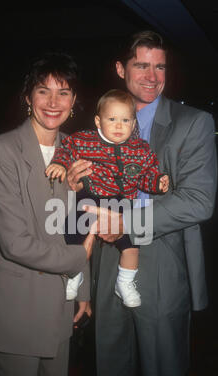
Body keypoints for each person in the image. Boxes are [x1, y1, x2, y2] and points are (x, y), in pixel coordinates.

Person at [67, 31, 218, 376]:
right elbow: (79, 203)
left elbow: (199, 202)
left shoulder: (194, 123)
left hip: (163, 271)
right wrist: (71, 184)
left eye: (160, 66)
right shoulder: (97, 126)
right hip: (107, 263)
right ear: (121, 69)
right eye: (141, 65)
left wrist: (126, 220)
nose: (152, 76)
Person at [0, 52, 95, 376]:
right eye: (44, 91)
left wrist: (84, 291)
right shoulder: (0, 151)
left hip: (59, 307)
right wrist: (79, 259)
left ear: (75, 102)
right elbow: (15, 243)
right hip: (15, 310)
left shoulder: (78, 152)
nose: (53, 102)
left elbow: (79, 228)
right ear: (28, 97)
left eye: (64, 92)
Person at [46, 89, 169, 308]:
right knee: (73, 233)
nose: (119, 126)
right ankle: (75, 275)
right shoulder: (85, 140)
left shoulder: (140, 149)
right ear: (98, 121)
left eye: (125, 120)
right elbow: (66, 148)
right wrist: (60, 163)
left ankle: (125, 282)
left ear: (133, 124)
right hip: (91, 196)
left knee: (132, 244)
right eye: (112, 119)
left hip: (123, 202)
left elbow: (146, 174)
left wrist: (157, 182)